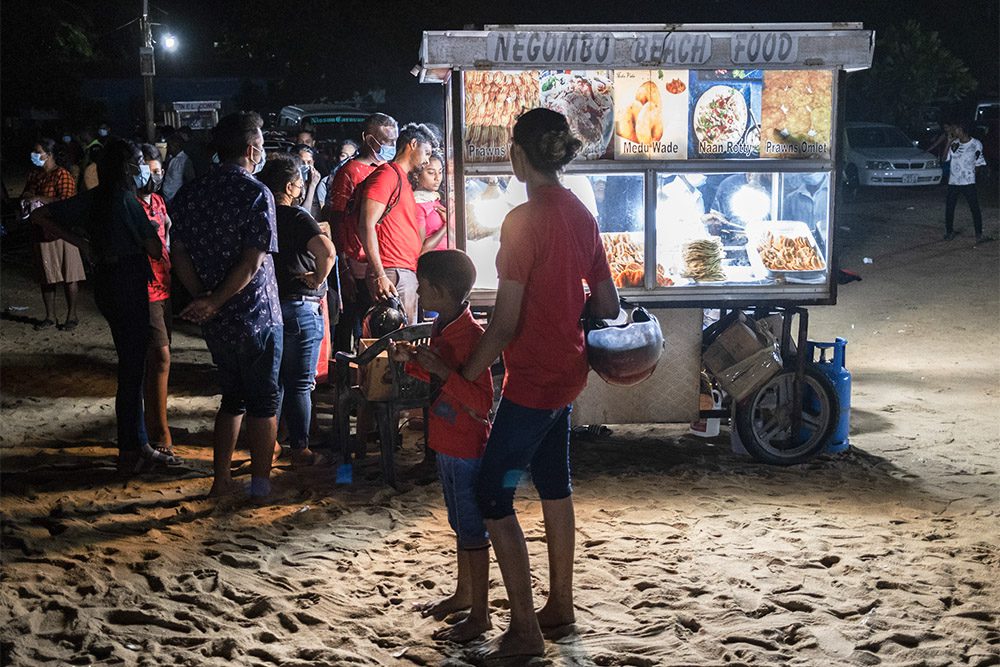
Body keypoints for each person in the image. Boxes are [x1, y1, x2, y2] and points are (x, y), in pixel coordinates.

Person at [457, 108, 620, 661]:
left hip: (532, 384)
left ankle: (525, 630)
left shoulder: (521, 221)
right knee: (554, 481)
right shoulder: (580, 213)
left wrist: (465, 373)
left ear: (519, 157)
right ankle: (561, 604)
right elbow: (608, 304)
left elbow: (503, 323)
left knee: (490, 494)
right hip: (569, 375)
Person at [32, 139, 178, 473]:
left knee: (129, 367)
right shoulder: (126, 200)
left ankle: (135, 444)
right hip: (129, 280)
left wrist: (84, 244)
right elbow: (154, 248)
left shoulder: (94, 198)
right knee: (132, 371)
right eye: (136, 162)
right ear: (127, 167)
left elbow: (41, 215)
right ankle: (132, 449)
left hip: (106, 283)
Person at [169, 111, 283, 500]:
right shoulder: (255, 192)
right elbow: (253, 261)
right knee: (264, 402)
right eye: (262, 145)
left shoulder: (191, 193)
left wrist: (204, 299)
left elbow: (178, 252)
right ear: (252, 149)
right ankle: (261, 485)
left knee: (231, 398)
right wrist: (216, 299)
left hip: (216, 320)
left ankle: (220, 481)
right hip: (256, 314)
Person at [390, 249, 493, 642]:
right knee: (460, 524)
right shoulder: (444, 325)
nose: (418, 289)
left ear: (438, 289)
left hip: (467, 446)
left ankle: (480, 613)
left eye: (422, 284)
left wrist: (439, 370)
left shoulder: (472, 337)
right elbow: (439, 374)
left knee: (473, 529)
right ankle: (464, 595)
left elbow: (481, 403)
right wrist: (413, 361)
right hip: (447, 442)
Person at [259, 154, 335, 466]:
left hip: (268, 309)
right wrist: (317, 278)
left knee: (273, 380)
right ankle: (300, 448)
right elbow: (327, 252)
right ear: (291, 186)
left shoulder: (259, 214)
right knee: (301, 383)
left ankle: (270, 446)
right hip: (301, 307)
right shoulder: (297, 217)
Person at [325, 112, 398, 353]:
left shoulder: (390, 171)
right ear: (368, 139)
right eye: (385, 141)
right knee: (353, 321)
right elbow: (336, 219)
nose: (390, 146)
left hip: (384, 259)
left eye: (393, 141)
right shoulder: (349, 172)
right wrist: (343, 267)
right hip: (356, 262)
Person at [359, 122, 435, 325]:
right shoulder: (387, 175)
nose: (427, 160)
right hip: (392, 272)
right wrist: (380, 274)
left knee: (404, 343)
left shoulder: (402, 180)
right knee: (397, 343)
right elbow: (366, 224)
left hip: (402, 271)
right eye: (426, 152)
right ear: (412, 144)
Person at [21, 138, 85, 330]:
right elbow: (26, 193)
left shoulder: (62, 175)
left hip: (62, 231)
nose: (34, 156)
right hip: (41, 231)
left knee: (69, 275)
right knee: (46, 276)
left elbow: (67, 202)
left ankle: (71, 316)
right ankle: (50, 316)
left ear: (49, 155)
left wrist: (39, 198)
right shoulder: (35, 174)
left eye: (38, 152)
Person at [137, 144, 176, 456]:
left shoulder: (160, 201)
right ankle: (159, 433)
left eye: (158, 170)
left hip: (165, 283)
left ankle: (154, 423)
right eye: (148, 171)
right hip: (145, 287)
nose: (154, 176)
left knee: (158, 360)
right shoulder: (132, 204)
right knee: (161, 357)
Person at [944, 120, 992, 245]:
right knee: (949, 208)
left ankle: (979, 234)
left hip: (968, 182)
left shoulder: (976, 144)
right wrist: (948, 142)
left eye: (956, 129)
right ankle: (949, 232)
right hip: (954, 182)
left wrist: (971, 176)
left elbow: (979, 162)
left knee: (974, 208)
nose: (954, 131)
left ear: (962, 130)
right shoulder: (954, 144)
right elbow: (944, 159)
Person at [411, 152, 448, 253]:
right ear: (416, 175)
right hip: (433, 262)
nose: (437, 178)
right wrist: (446, 226)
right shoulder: (417, 205)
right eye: (431, 173)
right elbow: (421, 249)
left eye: (440, 172)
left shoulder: (435, 199)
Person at [161, 129, 195, 203]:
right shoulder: (171, 159)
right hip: (168, 198)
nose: (168, 149)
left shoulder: (185, 160)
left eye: (170, 146)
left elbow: (190, 181)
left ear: (176, 146)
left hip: (177, 199)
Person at [294, 144, 323, 220]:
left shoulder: (315, 180)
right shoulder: (293, 186)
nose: (306, 166)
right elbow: (303, 215)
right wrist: (312, 186)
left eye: (309, 162)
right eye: (302, 162)